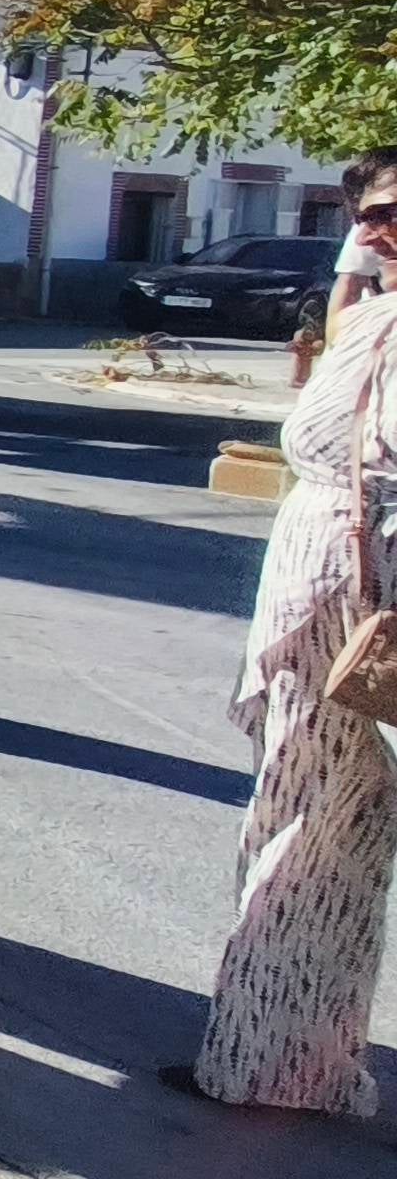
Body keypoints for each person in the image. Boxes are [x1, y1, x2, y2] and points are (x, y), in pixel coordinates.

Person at [172, 147, 397, 1114]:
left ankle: (276, 1060)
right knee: (313, 820)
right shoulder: (377, 314)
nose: (381, 229)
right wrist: (358, 258)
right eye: (370, 215)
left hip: (368, 595)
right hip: (327, 601)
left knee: (323, 819)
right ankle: (276, 1059)